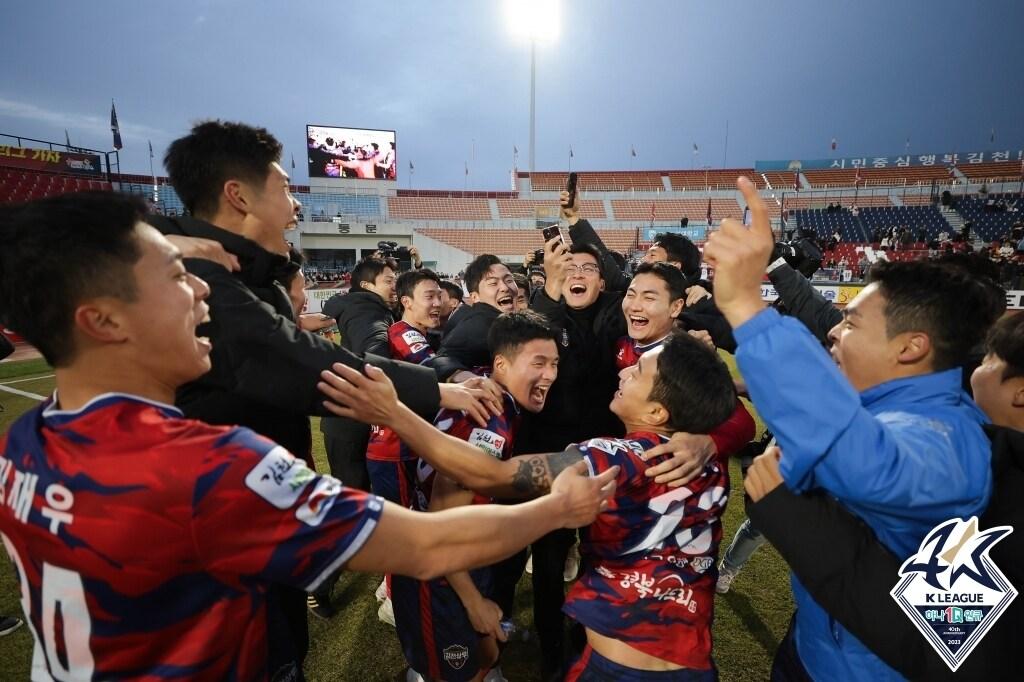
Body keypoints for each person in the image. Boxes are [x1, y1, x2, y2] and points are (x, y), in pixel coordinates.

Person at [0, 191, 615, 681]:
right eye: (175, 276)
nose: (203, 289)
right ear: (103, 319)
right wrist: (556, 509)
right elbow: (426, 547)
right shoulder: (205, 467)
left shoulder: (28, 439)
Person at [150, 120, 498, 678]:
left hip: (254, 507)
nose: (293, 206)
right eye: (285, 189)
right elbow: (298, 359)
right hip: (220, 528)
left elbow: (301, 349)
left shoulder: (235, 270)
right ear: (237, 196)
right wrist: (436, 394)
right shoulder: (199, 275)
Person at [702, 176, 1003, 681]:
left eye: (853, 323)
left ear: (911, 347)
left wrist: (747, 308)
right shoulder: (877, 411)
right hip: (816, 645)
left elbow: (868, 465)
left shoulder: (953, 439)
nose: (835, 332)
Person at [316, 330, 737, 681]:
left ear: (659, 410)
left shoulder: (614, 457)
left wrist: (393, 412)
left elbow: (489, 475)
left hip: (623, 666)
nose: (625, 369)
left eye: (640, 370)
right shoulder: (708, 461)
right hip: (694, 660)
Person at [744, 312, 1024, 680]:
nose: (974, 369)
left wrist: (790, 511)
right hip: (809, 648)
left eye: (989, 359)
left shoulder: (995, 487)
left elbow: (944, 641)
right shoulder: (951, 431)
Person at [392, 311, 561, 682]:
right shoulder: (489, 423)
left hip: (460, 556)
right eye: (538, 363)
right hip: (440, 570)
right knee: (451, 670)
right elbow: (441, 525)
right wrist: (473, 602)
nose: (549, 375)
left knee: (479, 655)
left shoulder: (489, 391)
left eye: (554, 364)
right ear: (501, 364)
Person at [319, 255, 398, 494]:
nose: (395, 286)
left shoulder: (360, 305)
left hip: (343, 419)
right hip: (351, 421)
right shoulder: (369, 311)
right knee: (354, 497)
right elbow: (373, 356)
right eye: (389, 281)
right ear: (367, 286)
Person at [431, 254, 518, 380]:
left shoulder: (509, 320)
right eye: (493, 283)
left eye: (509, 280)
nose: (505, 287)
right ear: (475, 297)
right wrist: (463, 377)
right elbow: (441, 360)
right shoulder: (479, 323)